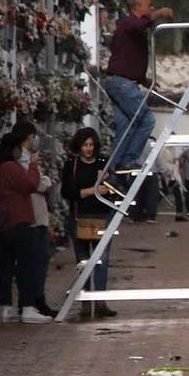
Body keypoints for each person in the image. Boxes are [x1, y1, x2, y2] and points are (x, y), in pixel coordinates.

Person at [0, 122, 56, 323]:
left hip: (4, 224)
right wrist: (34, 165)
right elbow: (31, 184)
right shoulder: (10, 167)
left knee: (7, 266)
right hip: (19, 221)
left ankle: (7, 307)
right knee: (28, 264)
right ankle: (27, 307)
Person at [102, 0, 173, 179]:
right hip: (123, 84)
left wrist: (144, 80)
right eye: (148, 5)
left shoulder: (129, 30)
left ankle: (114, 169)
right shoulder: (128, 24)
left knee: (126, 125)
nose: (151, 8)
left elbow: (127, 59)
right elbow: (139, 24)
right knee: (146, 120)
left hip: (119, 82)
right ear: (138, 7)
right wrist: (159, 14)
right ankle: (129, 159)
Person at [63, 127, 118, 320]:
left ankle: (100, 301)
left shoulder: (103, 163)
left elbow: (112, 190)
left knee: (102, 261)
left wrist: (108, 183)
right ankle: (85, 301)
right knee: (83, 260)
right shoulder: (72, 164)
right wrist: (92, 190)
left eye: (91, 145)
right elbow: (68, 191)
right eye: (85, 145)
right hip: (79, 217)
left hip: (101, 216)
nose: (88, 149)